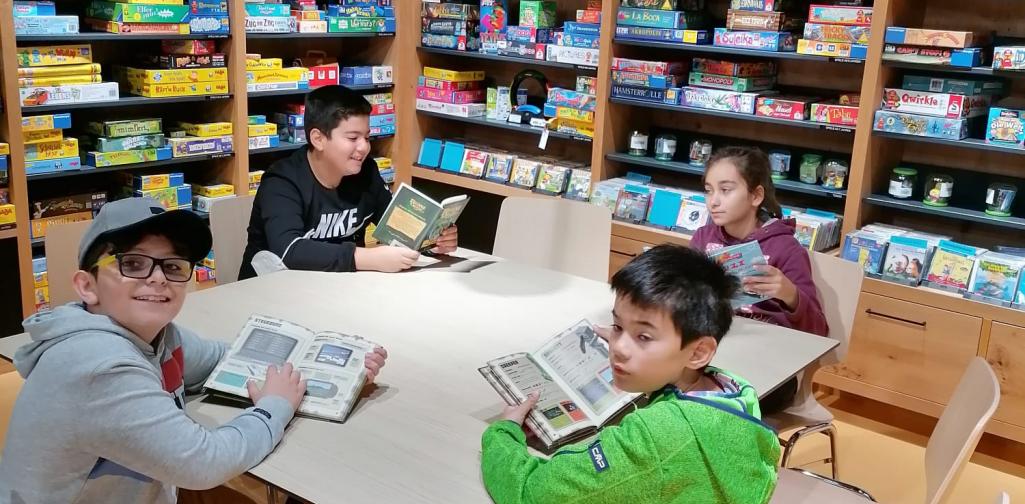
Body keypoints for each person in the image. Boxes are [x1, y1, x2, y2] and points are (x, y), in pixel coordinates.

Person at [0, 198, 388, 503]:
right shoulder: (98, 366)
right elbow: (204, 462)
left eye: (173, 266)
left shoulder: (156, 335)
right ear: (87, 286)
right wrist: (275, 407)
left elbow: (226, 358)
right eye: (133, 263)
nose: (157, 277)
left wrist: (332, 371)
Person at [480, 245, 781, 504]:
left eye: (644, 337)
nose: (618, 348)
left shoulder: (654, 439)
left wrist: (504, 432)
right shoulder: (734, 389)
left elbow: (533, 493)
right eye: (618, 327)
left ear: (698, 352)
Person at [240, 85, 457, 279]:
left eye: (367, 137)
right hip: (271, 293)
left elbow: (396, 228)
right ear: (318, 139)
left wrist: (432, 241)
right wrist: (367, 259)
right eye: (353, 138)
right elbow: (289, 251)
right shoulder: (282, 182)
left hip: (340, 290)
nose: (364, 147)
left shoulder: (366, 172)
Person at [690, 146, 828, 414]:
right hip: (716, 351)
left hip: (771, 369)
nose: (713, 201)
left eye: (726, 190)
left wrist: (790, 294)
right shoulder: (703, 239)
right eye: (708, 190)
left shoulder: (786, 249)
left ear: (755, 195)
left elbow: (819, 331)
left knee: (713, 404)